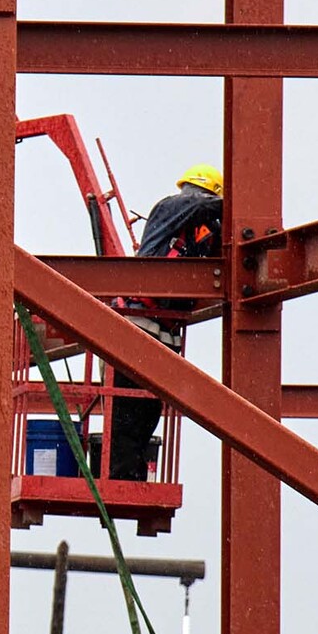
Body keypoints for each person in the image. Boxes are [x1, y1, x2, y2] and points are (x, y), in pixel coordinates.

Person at [109, 165, 224, 481]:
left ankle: (131, 476)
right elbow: (199, 205)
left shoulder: (204, 230)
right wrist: (240, 201)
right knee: (128, 407)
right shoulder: (172, 207)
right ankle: (120, 476)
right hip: (137, 323)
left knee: (148, 410)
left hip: (163, 332)